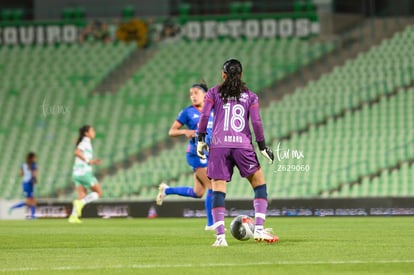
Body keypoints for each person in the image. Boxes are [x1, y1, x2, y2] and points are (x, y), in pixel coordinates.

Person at [196, 59, 279, 247]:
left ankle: (220, 238)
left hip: (219, 146)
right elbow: (256, 123)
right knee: (259, 184)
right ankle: (259, 229)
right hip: (242, 145)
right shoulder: (250, 96)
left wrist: (201, 139)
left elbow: (204, 116)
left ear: (223, 75)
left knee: (217, 188)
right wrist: (263, 146)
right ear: (241, 75)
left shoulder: (213, 93)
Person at [156, 83, 214, 230]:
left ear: (205, 94)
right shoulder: (187, 112)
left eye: (196, 93)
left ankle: (167, 190)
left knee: (198, 192)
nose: (193, 96)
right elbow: (172, 131)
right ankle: (211, 223)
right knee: (213, 186)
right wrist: (184, 132)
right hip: (196, 152)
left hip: (209, 152)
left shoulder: (213, 110)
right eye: (191, 93)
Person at [68, 125, 103, 224]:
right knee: (99, 193)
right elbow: (77, 152)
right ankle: (80, 203)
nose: (94, 132)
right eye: (92, 130)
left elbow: (80, 154)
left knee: (82, 195)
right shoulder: (85, 141)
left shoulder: (84, 141)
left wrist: (92, 162)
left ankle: (73, 217)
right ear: (86, 133)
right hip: (84, 172)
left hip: (76, 173)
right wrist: (88, 161)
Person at [9, 152, 38, 219]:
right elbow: (34, 174)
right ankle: (13, 207)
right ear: (32, 158)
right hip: (29, 184)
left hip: (25, 183)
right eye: (35, 157)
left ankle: (33, 216)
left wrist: (26, 173)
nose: (36, 159)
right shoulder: (33, 165)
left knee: (33, 200)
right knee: (29, 201)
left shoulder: (24, 165)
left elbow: (20, 174)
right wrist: (35, 180)